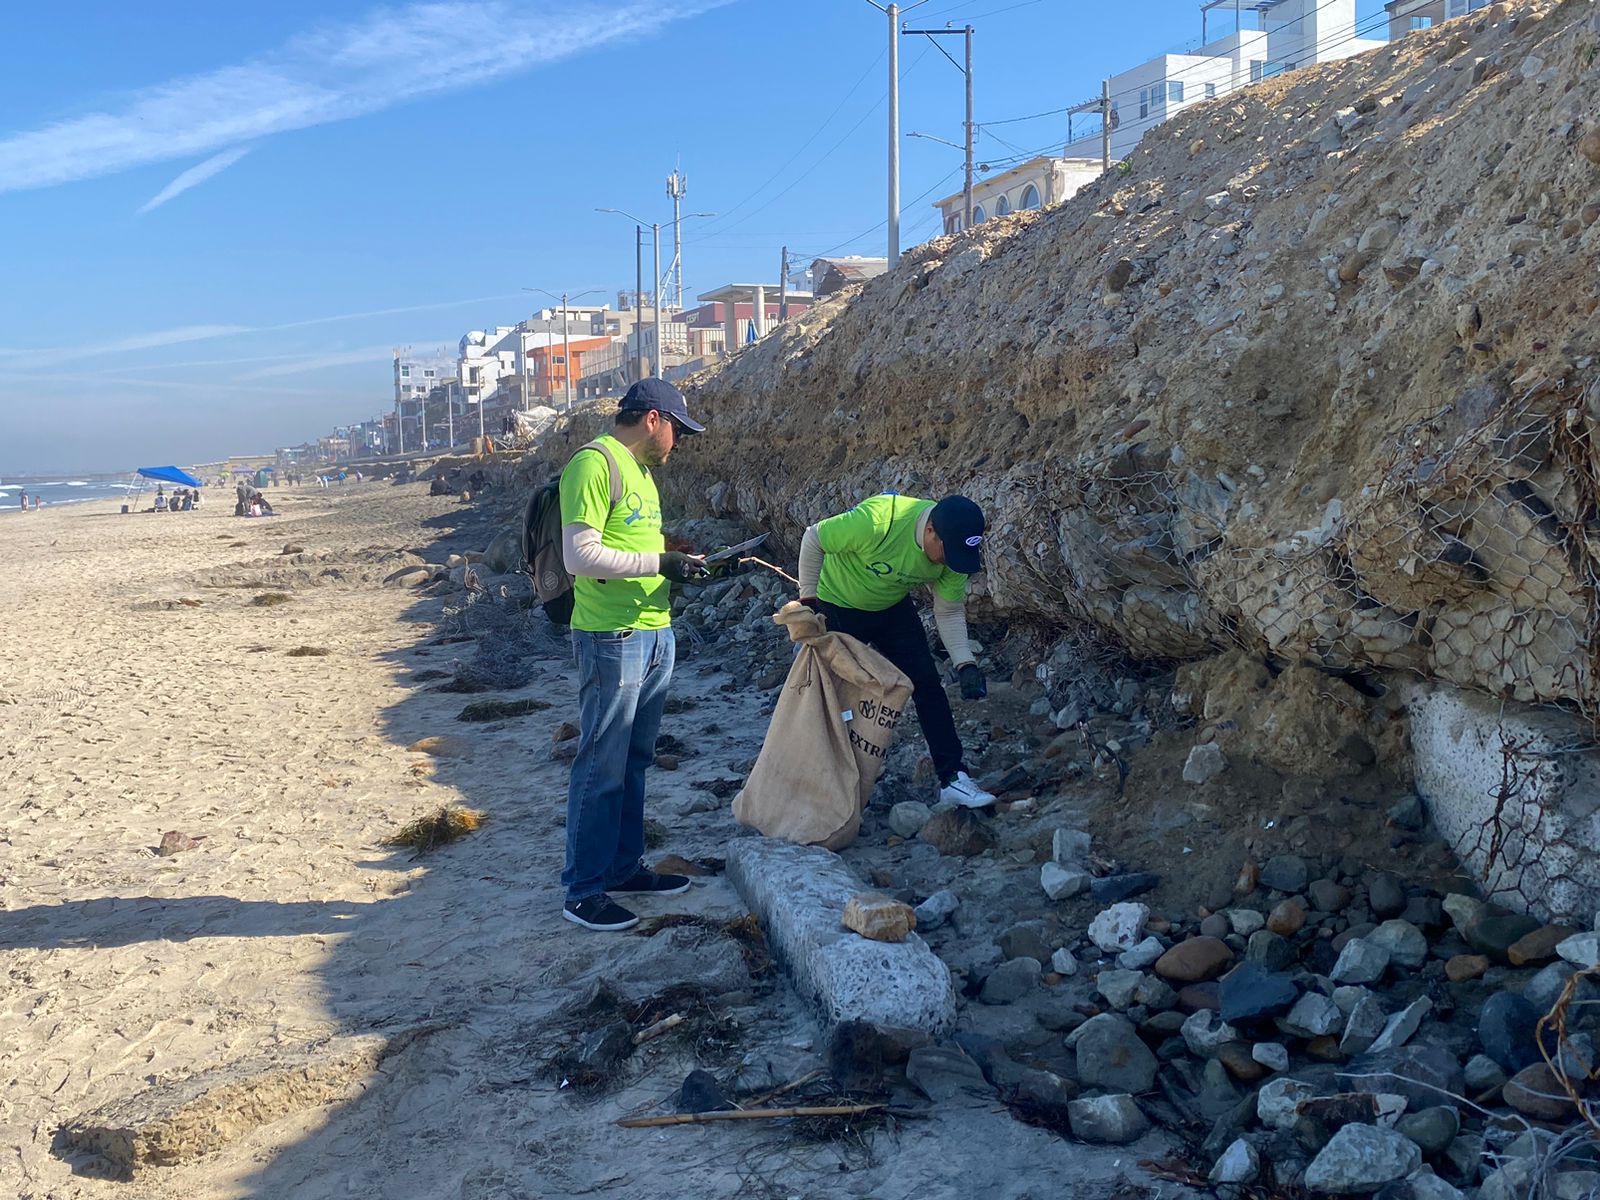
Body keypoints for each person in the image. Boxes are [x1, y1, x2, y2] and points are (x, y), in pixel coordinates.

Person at [557, 377, 709, 932]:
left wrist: (676, 559)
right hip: (611, 636)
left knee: (633, 761)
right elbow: (580, 556)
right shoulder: (594, 464)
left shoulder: (641, 472)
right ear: (652, 420)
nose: (679, 443)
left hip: (653, 630)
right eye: (678, 431)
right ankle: (583, 889)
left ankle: (622, 869)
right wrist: (659, 564)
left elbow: (630, 545)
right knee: (602, 763)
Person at [796, 493, 997, 808]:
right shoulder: (878, 522)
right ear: (930, 531)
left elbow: (948, 612)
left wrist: (965, 664)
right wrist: (808, 604)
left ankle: (953, 778)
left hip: (892, 608)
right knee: (833, 694)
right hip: (838, 604)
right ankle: (821, 782)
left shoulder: (954, 551)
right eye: (948, 554)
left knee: (927, 685)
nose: (951, 563)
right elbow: (813, 538)